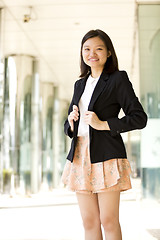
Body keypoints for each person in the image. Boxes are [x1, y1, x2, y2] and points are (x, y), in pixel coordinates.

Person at [62, 29, 147, 240]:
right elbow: (71, 125)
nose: (92, 53)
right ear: (82, 53)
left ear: (108, 52)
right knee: (89, 221)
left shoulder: (118, 79)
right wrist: (71, 123)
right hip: (81, 155)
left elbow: (139, 117)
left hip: (107, 155)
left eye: (98, 49)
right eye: (87, 49)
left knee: (108, 220)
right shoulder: (79, 84)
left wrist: (103, 125)